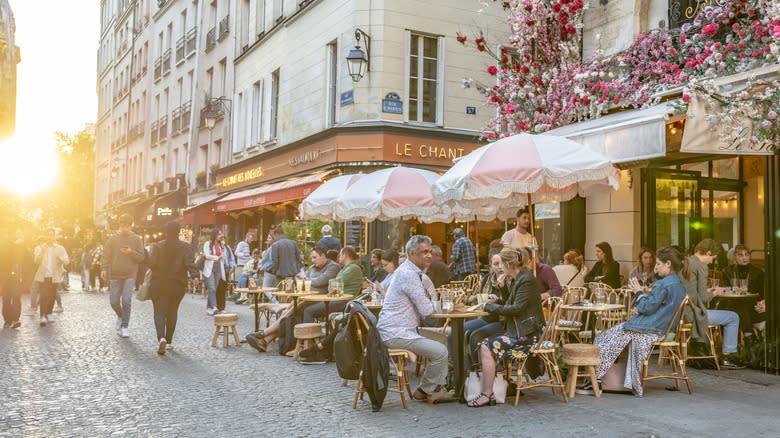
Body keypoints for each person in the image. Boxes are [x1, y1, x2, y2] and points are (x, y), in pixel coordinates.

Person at [594, 246, 687, 397]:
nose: (656, 267)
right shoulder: (679, 284)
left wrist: (638, 291)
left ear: (668, 264)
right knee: (610, 335)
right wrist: (648, 292)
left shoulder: (663, 284)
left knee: (602, 337)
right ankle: (612, 379)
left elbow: (645, 308)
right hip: (662, 327)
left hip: (648, 327)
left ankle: (597, 378)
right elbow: (661, 303)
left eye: (658, 264)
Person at [376, 235, 450, 404]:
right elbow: (427, 310)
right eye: (424, 252)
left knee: (444, 340)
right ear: (411, 253)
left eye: (430, 251)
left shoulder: (408, 272)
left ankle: (438, 387)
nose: (429, 255)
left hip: (399, 330)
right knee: (440, 351)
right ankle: (426, 389)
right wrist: (431, 301)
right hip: (396, 333)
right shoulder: (408, 274)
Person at [468, 247, 545, 407]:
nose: (500, 267)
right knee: (483, 344)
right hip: (519, 331)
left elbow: (516, 309)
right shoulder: (519, 278)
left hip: (528, 334)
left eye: (502, 263)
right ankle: (491, 391)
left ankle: (486, 394)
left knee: (485, 346)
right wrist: (502, 287)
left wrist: (488, 307)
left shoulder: (526, 280)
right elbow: (511, 305)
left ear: (509, 263)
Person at [684, 238, 742, 369]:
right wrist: (715, 292)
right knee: (733, 317)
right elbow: (704, 298)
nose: (712, 261)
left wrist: (708, 290)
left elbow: (691, 291)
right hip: (693, 314)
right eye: (713, 258)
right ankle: (728, 357)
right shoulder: (701, 266)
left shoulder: (686, 262)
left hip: (680, 312)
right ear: (708, 253)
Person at [148, 221, 196, 355]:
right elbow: (190, 263)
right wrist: (195, 276)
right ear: (178, 231)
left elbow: (152, 264)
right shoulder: (185, 247)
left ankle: (161, 338)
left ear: (165, 231)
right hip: (177, 284)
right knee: (172, 312)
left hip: (159, 284)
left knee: (159, 312)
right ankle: (168, 341)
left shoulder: (157, 246)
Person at [459, 249, 507, 369]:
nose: (500, 267)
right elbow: (480, 300)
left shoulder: (511, 280)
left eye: (502, 263)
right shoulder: (487, 280)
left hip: (503, 321)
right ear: (491, 266)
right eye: (496, 264)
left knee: (475, 336)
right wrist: (479, 299)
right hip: (486, 317)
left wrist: (497, 301)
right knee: (457, 331)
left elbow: (510, 304)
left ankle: (478, 370)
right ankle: (457, 368)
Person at [101, 214, 145, 338]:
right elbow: (106, 255)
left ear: (131, 225)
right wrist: (104, 269)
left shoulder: (136, 239)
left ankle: (125, 326)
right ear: (120, 225)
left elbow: (141, 257)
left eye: (127, 226)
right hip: (115, 274)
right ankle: (120, 316)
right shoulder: (113, 239)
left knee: (126, 300)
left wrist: (131, 252)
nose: (124, 228)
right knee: (113, 301)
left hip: (130, 274)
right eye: (122, 225)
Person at [303, 246, 363, 323]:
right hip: (338, 299)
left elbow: (335, 283)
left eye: (340, 255)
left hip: (343, 302)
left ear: (345, 255)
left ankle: (311, 333)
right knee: (304, 308)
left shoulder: (353, 268)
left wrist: (329, 282)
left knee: (308, 311)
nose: (338, 257)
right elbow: (333, 282)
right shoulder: (347, 268)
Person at [719, 244, 765, 341]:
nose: (744, 258)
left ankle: (748, 337)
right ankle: (749, 337)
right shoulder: (727, 271)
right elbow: (725, 289)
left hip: (753, 307)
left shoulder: (758, 272)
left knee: (739, 306)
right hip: (732, 305)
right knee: (737, 304)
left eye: (746, 255)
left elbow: (762, 293)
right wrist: (734, 290)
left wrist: (761, 302)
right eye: (740, 255)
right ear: (735, 257)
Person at [33, 228, 70, 327]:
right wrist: (42, 252)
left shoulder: (60, 248)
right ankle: (42, 316)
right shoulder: (40, 248)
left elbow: (67, 261)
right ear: (46, 236)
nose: (50, 237)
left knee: (52, 296)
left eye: (52, 235)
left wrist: (61, 259)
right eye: (48, 235)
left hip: (54, 276)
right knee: (44, 296)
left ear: (54, 236)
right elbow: (36, 261)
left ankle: (49, 313)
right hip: (43, 276)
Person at [1, 230, 25, 329]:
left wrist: (20, 275)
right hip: (3, 277)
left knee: (16, 297)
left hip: (14, 277)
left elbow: (20, 261)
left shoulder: (15, 246)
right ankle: (7, 320)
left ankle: (15, 319)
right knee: (6, 298)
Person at [202, 228, 227, 316]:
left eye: (221, 234)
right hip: (209, 268)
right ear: (215, 235)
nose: (221, 236)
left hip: (218, 268)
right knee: (212, 288)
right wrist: (217, 257)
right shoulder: (207, 244)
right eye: (219, 234)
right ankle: (214, 307)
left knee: (214, 289)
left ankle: (209, 308)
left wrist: (223, 247)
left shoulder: (221, 245)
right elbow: (207, 255)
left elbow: (224, 256)